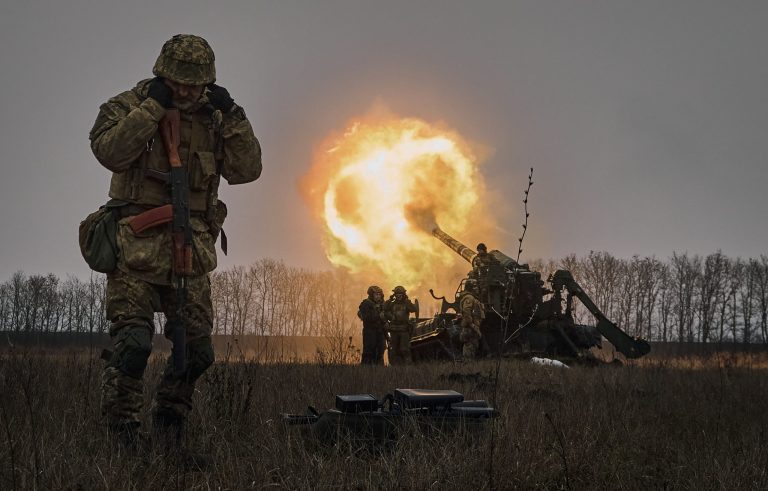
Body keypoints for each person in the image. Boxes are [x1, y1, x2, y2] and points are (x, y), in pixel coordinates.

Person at [89, 34, 262, 446]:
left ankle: (169, 423)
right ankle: (122, 435)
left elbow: (247, 170)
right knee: (132, 346)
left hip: (192, 252)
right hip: (136, 252)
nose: (186, 92)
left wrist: (234, 115)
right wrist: (152, 108)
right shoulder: (130, 104)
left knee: (198, 353)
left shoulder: (217, 118)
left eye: (195, 85)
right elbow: (109, 152)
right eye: (178, 83)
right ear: (162, 75)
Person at [383, 285, 418, 365]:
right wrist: (389, 301)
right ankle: (396, 367)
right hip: (394, 330)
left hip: (404, 330)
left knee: (404, 349)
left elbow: (414, 309)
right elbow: (385, 310)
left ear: (403, 294)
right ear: (394, 295)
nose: (399, 296)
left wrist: (407, 301)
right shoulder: (391, 304)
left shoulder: (406, 303)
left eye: (400, 294)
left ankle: (408, 365)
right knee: (394, 350)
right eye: (397, 294)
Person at [358, 285, 386, 365]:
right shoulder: (366, 304)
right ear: (371, 295)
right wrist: (378, 316)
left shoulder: (383, 304)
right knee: (369, 352)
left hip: (380, 331)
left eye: (379, 294)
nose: (378, 296)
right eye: (376, 294)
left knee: (380, 351)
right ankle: (366, 371)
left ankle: (380, 371)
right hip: (370, 331)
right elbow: (366, 317)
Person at [459, 280, 485, 359]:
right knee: (469, 347)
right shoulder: (469, 298)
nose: (477, 288)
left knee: (473, 346)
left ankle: (469, 366)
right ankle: (467, 366)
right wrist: (472, 325)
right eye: (475, 286)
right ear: (471, 288)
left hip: (472, 328)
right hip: (470, 328)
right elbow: (467, 312)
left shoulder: (472, 298)